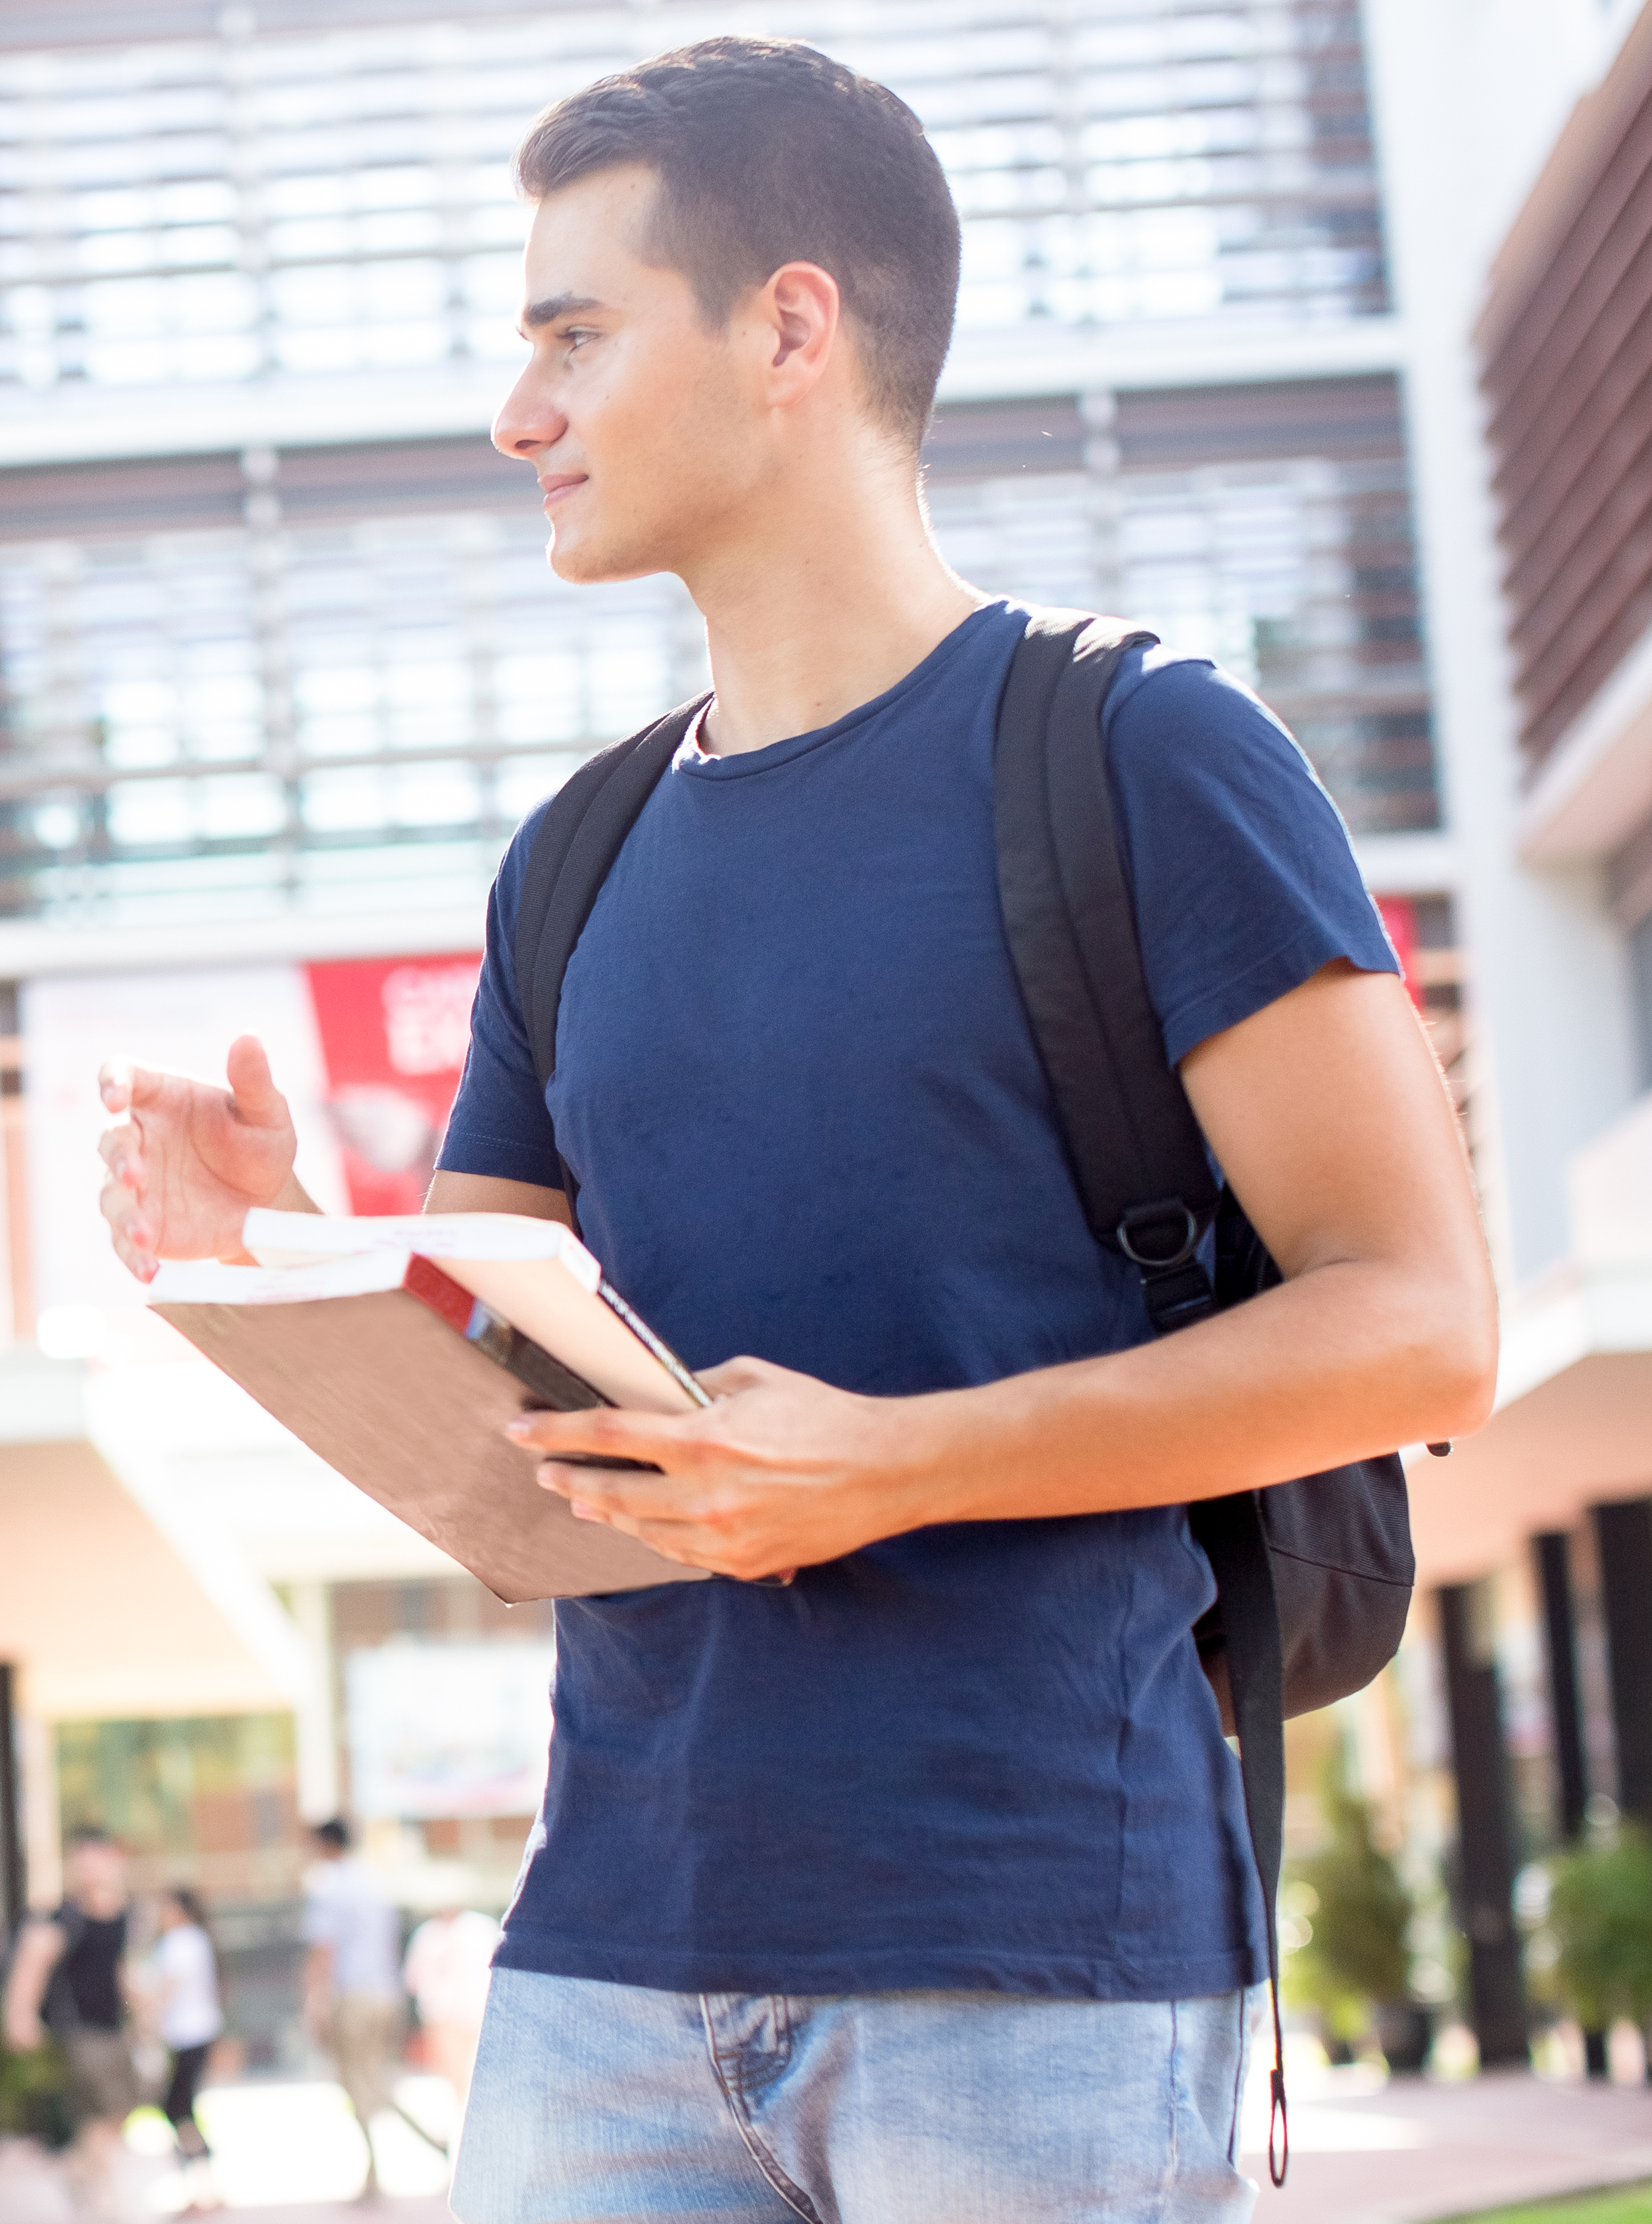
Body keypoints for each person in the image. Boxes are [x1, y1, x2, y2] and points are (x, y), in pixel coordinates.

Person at [93, 36, 1494, 2223]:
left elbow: (1421, 1325)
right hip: (607, 1964)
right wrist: (286, 1248)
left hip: (1042, 1954)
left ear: (790, 331)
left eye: (575, 334)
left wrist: (894, 1462)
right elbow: (508, 1467)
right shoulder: (573, 861)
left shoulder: (1146, 753)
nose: (518, 412)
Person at [3, 1829, 139, 2219]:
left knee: (119, 2112)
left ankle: (79, 2171)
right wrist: (20, 2016)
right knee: (99, 2113)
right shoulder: (65, 1915)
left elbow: (119, 1971)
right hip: (80, 2031)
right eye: (84, 1859)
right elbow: (32, 1963)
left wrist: (142, 2012)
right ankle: (102, 2195)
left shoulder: (123, 1914)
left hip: (114, 2028)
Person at [299, 1819, 420, 2204]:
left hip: (353, 1995)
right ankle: (429, 2143)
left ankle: (380, 2167)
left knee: (358, 2084)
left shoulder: (328, 1884)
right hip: (384, 1992)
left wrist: (315, 2002)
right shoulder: (373, 1880)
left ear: (325, 1844)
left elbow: (324, 1949)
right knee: (374, 2080)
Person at [143, 1884, 226, 2212]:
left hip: (187, 2034)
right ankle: (201, 2185)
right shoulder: (196, 1940)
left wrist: (147, 2020)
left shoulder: (181, 1941)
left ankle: (203, 2184)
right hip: (193, 2033)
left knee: (178, 2108)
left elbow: (169, 1986)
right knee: (179, 2108)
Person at [401, 1904, 500, 2123]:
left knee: (471, 2067)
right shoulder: (428, 1935)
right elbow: (413, 1978)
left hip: (473, 2011)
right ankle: (461, 2112)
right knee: (453, 2068)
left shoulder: (479, 1929)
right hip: (444, 2012)